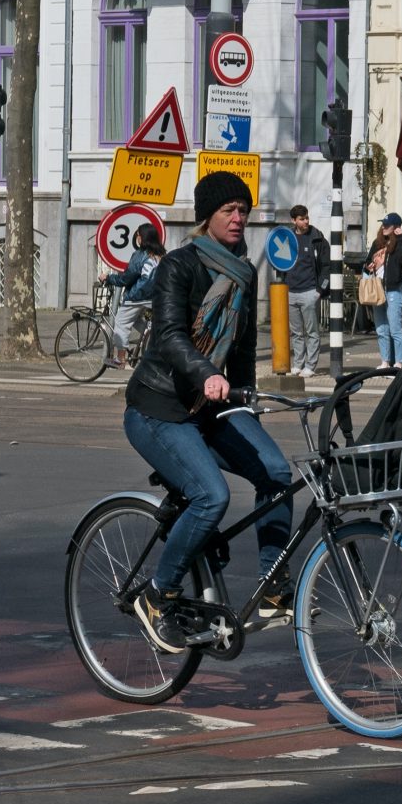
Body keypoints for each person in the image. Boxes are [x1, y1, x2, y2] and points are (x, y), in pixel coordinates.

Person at [123, 171, 294, 652]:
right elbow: (171, 336)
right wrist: (206, 374)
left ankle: (272, 590)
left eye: (244, 210)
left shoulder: (244, 270)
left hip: (214, 406)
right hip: (160, 409)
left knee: (276, 472)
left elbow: (240, 354)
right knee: (211, 496)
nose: (239, 218)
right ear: (208, 217)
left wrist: (251, 403)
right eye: (229, 210)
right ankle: (158, 595)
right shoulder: (180, 265)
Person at [281, 205, 331, 378]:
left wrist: (319, 290)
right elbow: (279, 260)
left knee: (312, 331)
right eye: (302, 219)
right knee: (296, 332)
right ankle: (297, 364)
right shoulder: (288, 238)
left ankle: (310, 366)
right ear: (294, 220)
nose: (306, 221)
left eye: (307, 218)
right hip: (291, 291)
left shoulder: (317, 239)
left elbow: (326, 266)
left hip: (310, 291)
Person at [105, 230, 165, 368]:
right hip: (156, 296)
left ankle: (120, 360)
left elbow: (126, 278)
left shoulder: (140, 255)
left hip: (138, 296)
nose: (137, 237)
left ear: (142, 238)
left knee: (121, 322)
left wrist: (109, 278)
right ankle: (147, 336)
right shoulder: (161, 254)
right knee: (139, 320)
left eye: (138, 235)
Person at [366, 213, 402, 368]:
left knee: (395, 329)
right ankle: (385, 361)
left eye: (387, 225)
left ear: (396, 227)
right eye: (383, 224)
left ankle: (399, 362)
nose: (384, 227)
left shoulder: (400, 244)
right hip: (377, 289)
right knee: (381, 328)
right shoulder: (377, 243)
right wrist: (370, 265)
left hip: (393, 290)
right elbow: (367, 261)